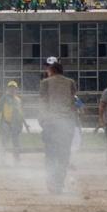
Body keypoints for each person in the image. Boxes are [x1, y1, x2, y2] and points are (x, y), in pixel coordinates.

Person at [39, 62, 78, 194]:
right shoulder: (70, 82)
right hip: (66, 123)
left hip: (51, 123)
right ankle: (59, 183)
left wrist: (42, 121)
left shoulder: (45, 82)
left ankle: (51, 182)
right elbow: (73, 104)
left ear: (52, 70)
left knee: (50, 154)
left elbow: (43, 103)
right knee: (64, 155)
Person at [0, 81, 28, 165]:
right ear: (8, 88)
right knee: (4, 140)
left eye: (14, 88)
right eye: (10, 87)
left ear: (16, 89)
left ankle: (16, 159)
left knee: (16, 141)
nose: (12, 89)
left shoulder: (18, 100)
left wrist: (25, 124)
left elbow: (20, 113)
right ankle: (2, 159)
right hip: (6, 122)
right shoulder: (4, 98)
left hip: (15, 124)